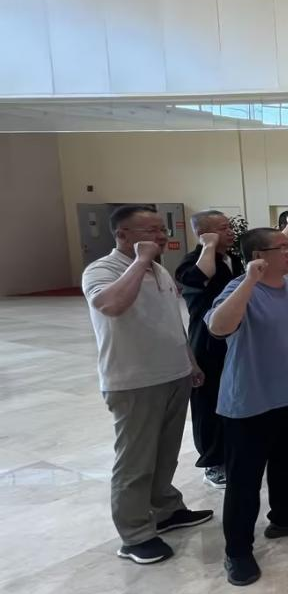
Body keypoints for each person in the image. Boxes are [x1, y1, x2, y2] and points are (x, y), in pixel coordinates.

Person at [82, 205, 213, 566]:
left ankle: (166, 509)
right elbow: (111, 305)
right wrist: (140, 262)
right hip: (134, 381)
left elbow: (172, 320)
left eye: (161, 229)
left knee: (165, 453)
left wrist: (190, 361)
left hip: (173, 374)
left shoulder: (160, 270)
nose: (161, 236)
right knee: (135, 462)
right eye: (151, 231)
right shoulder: (102, 269)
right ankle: (135, 534)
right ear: (122, 235)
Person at [207, 228, 288, 586]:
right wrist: (248, 280)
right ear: (258, 256)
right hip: (250, 403)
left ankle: (284, 518)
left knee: (287, 465)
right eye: (281, 248)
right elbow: (218, 327)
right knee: (244, 481)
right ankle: (238, 551)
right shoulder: (240, 289)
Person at [174, 209, 243, 490]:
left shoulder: (233, 259)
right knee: (209, 402)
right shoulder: (193, 262)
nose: (230, 232)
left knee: (234, 396)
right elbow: (199, 277)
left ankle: (233, 451)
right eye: (222, 228)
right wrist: (208, 246)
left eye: (229, 227)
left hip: (235, 338)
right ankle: (213, 462)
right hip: (207, 342)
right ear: (203, 233)